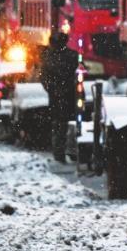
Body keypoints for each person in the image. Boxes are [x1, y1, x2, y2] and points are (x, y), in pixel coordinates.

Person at [39, 31, 78, 163]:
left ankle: (59, 153)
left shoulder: (47, 58)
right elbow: (79, 73)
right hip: (71, 95)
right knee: (72, 123)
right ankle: (72, 151)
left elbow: (43, 78)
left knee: (58, 125)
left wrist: (53, 89)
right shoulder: (73, 56)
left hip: (57, 97)